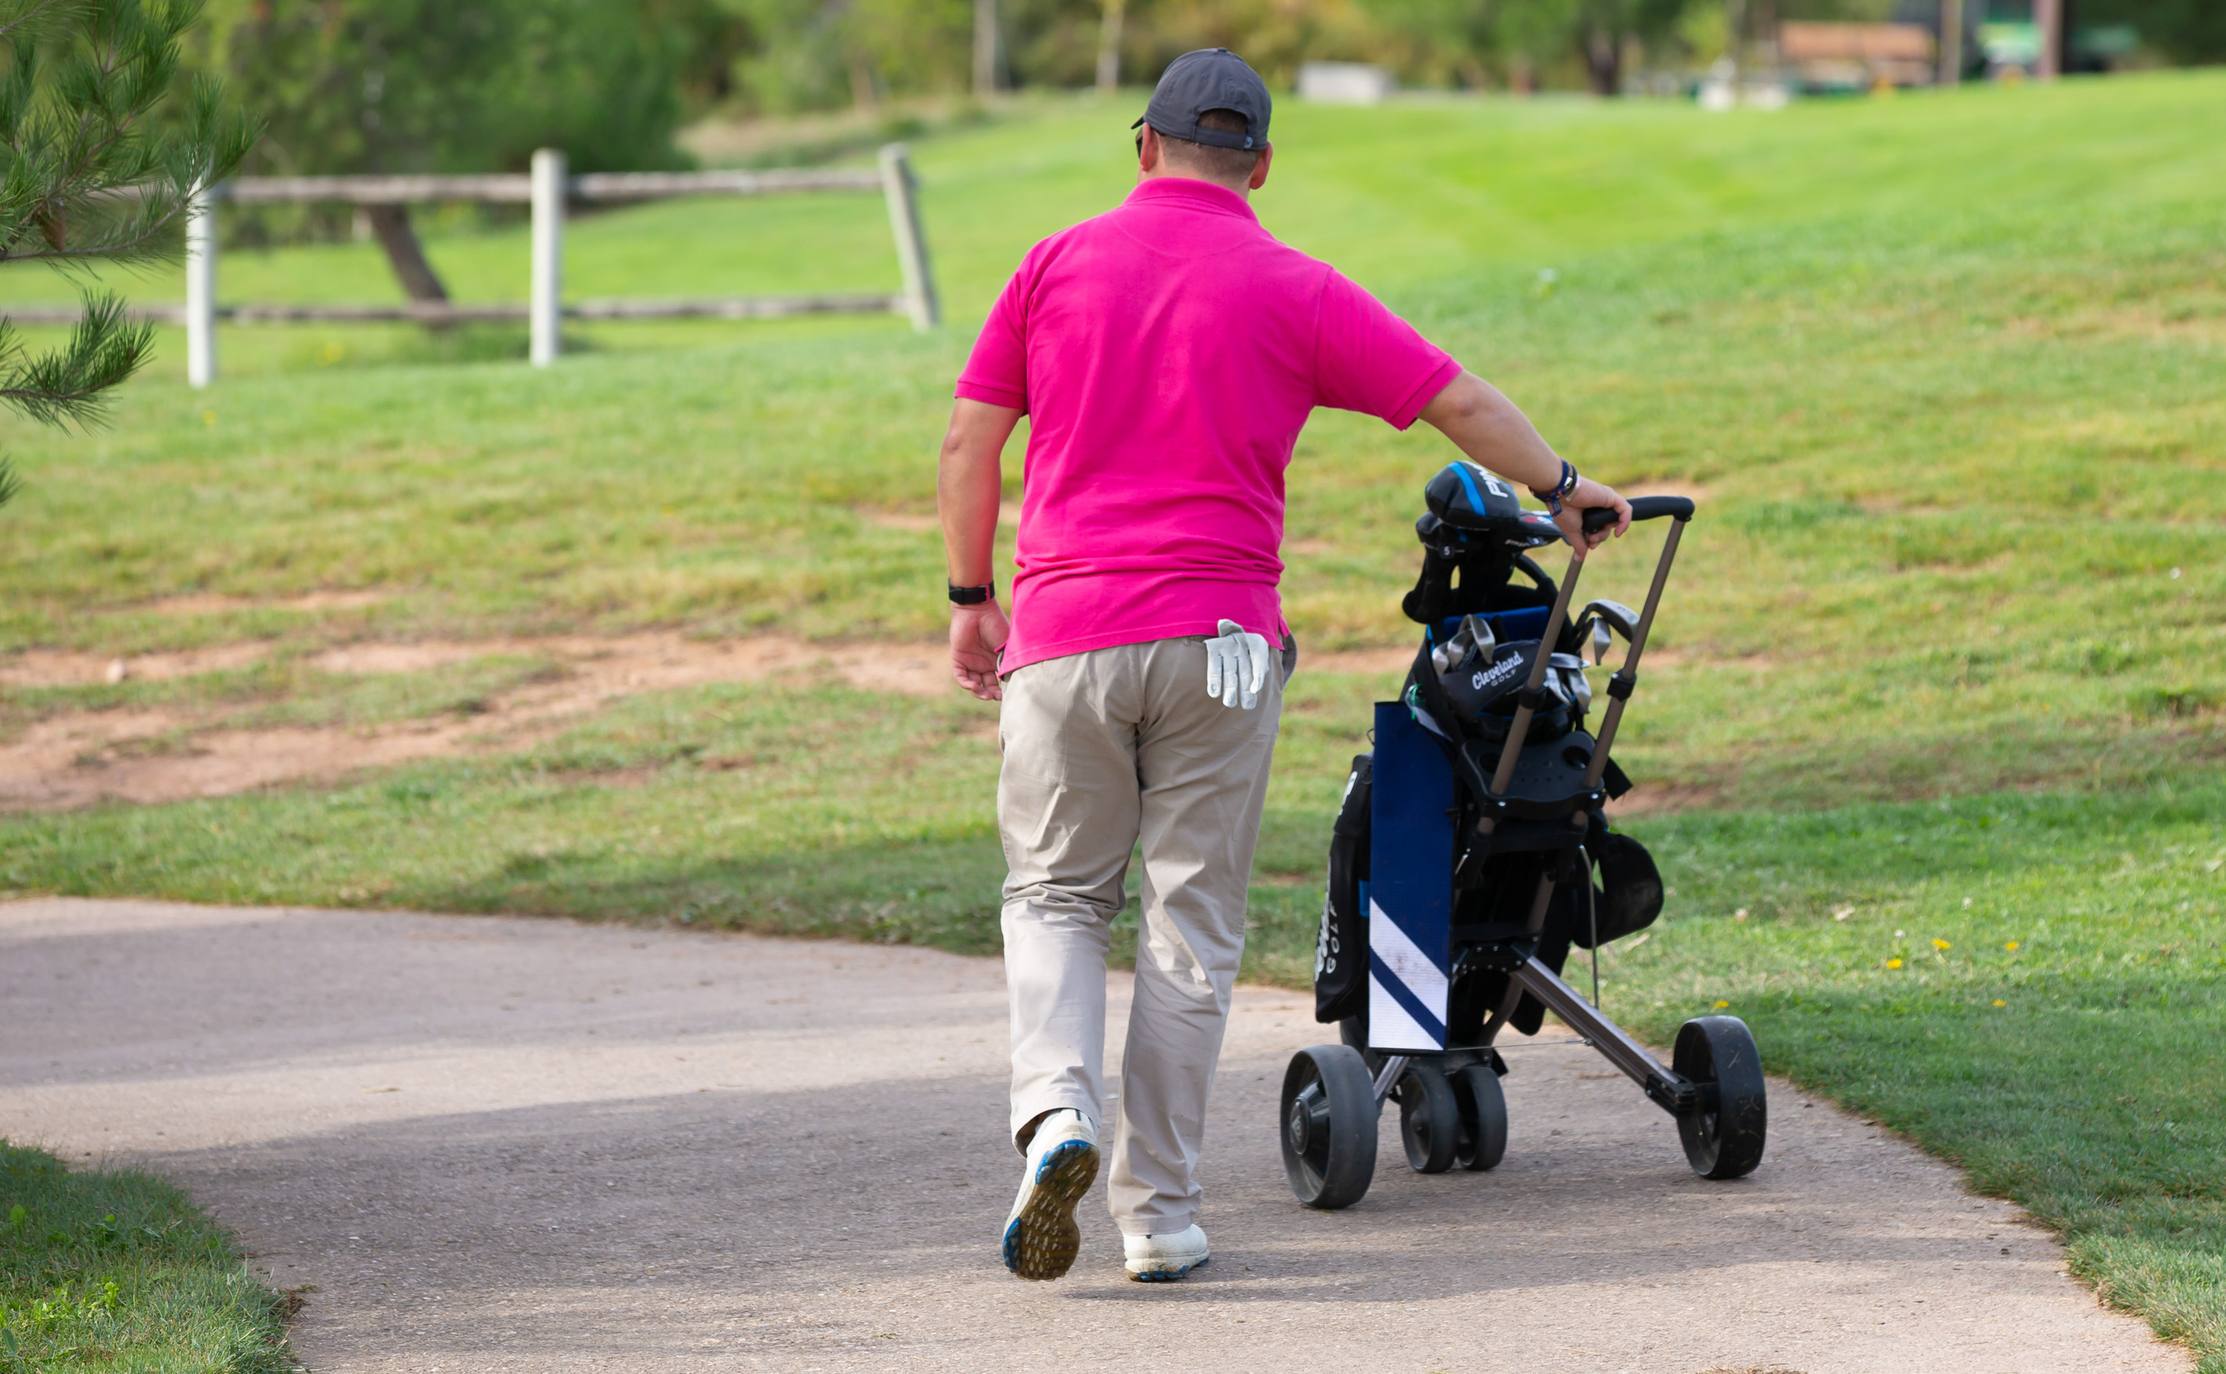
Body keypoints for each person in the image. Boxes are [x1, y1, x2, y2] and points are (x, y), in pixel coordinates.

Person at [935, 47, 1632, 1284]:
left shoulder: (1052, 265)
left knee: (1054, 897)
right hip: (1224, 648)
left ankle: (1056, 1118)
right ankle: (1160, 1218)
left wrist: (971, 596)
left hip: (1068, 634)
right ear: (1258, 165)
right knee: (1187, 924)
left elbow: (971, 435)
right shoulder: (1293, 284)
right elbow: (1455, 400)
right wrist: (1566, 489)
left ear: (1141, 146)